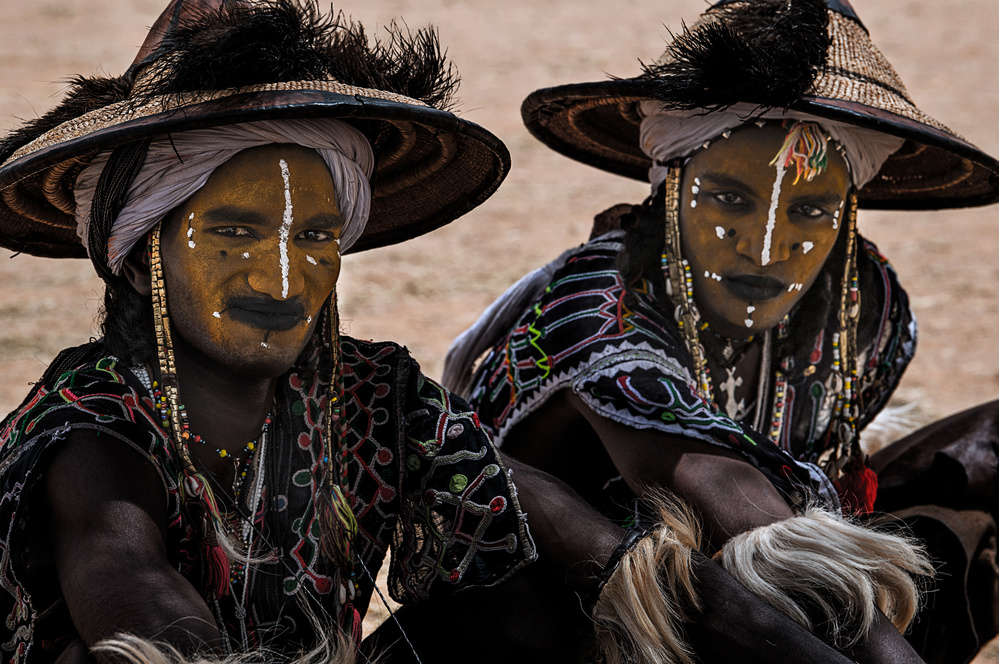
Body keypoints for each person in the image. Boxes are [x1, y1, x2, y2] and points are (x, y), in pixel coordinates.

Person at [0, 1, 897, 664]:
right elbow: (137, 596)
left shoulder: (372, 400)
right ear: (142, 246)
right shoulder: (94, 426)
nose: (282, 278)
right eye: (233, 233)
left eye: (314, 236)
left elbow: (580, 540)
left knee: (554, 600)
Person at [442, 0, 999, 662]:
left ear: (846, 215)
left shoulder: (861, 305)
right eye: (730, 200)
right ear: (669, 185)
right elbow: (723, 492)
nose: (766, 249)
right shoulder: (596, 307)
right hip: (579, 627)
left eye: (810, 209)